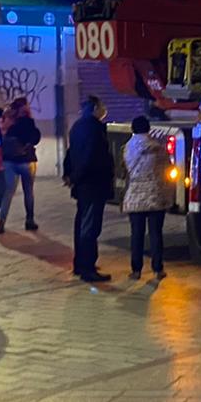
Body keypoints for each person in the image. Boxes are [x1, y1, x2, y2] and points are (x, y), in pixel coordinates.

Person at [66, 96, 115, 286]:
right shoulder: (94, 128)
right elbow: (91, 157)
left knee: (82, 223)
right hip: (93, 184)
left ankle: (80, 263)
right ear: (95, 108)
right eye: (102, 106)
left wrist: (70, 175)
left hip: (83, 185)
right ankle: (87, 267)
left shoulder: (77, 127)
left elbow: (71, 153)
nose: (104, 109)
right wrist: (77, 176)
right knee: (90, 226)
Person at [123, 115, 171, 283]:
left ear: (133, 129)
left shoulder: (128, 148)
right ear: (148, 128)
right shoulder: (158, 148)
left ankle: (136, 270)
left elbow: (128, 169)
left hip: (135, 197)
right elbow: (167, 169)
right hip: (155, 197)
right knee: (156, 234)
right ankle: (158, 268)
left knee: (136, 235)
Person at [0, 97, 42, 233]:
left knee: (8, 192)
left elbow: (2, 136)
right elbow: (35, 138)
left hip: (9, 160)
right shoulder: (28, 121)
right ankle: (30, 220)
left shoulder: (8, 121)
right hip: (26, 160)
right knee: (28, 192)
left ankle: (2, 221)